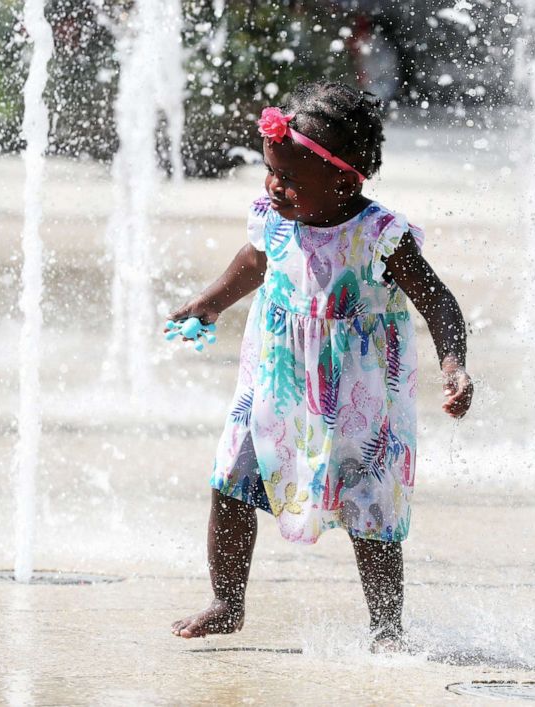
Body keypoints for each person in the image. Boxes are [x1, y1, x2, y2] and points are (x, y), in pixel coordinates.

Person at [169, 81, 473, 651]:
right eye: (271, 171)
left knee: (369, 511)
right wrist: (210, 301)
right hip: (276, 382)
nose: (274, 185)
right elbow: (254, 262)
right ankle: (226, 601)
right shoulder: (278, 216)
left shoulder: (380, 235)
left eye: (289, 178)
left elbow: (437, 300)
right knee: (230, 480)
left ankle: (386, 630)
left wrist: (453, 364)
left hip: (357, 396)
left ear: (343, 178)